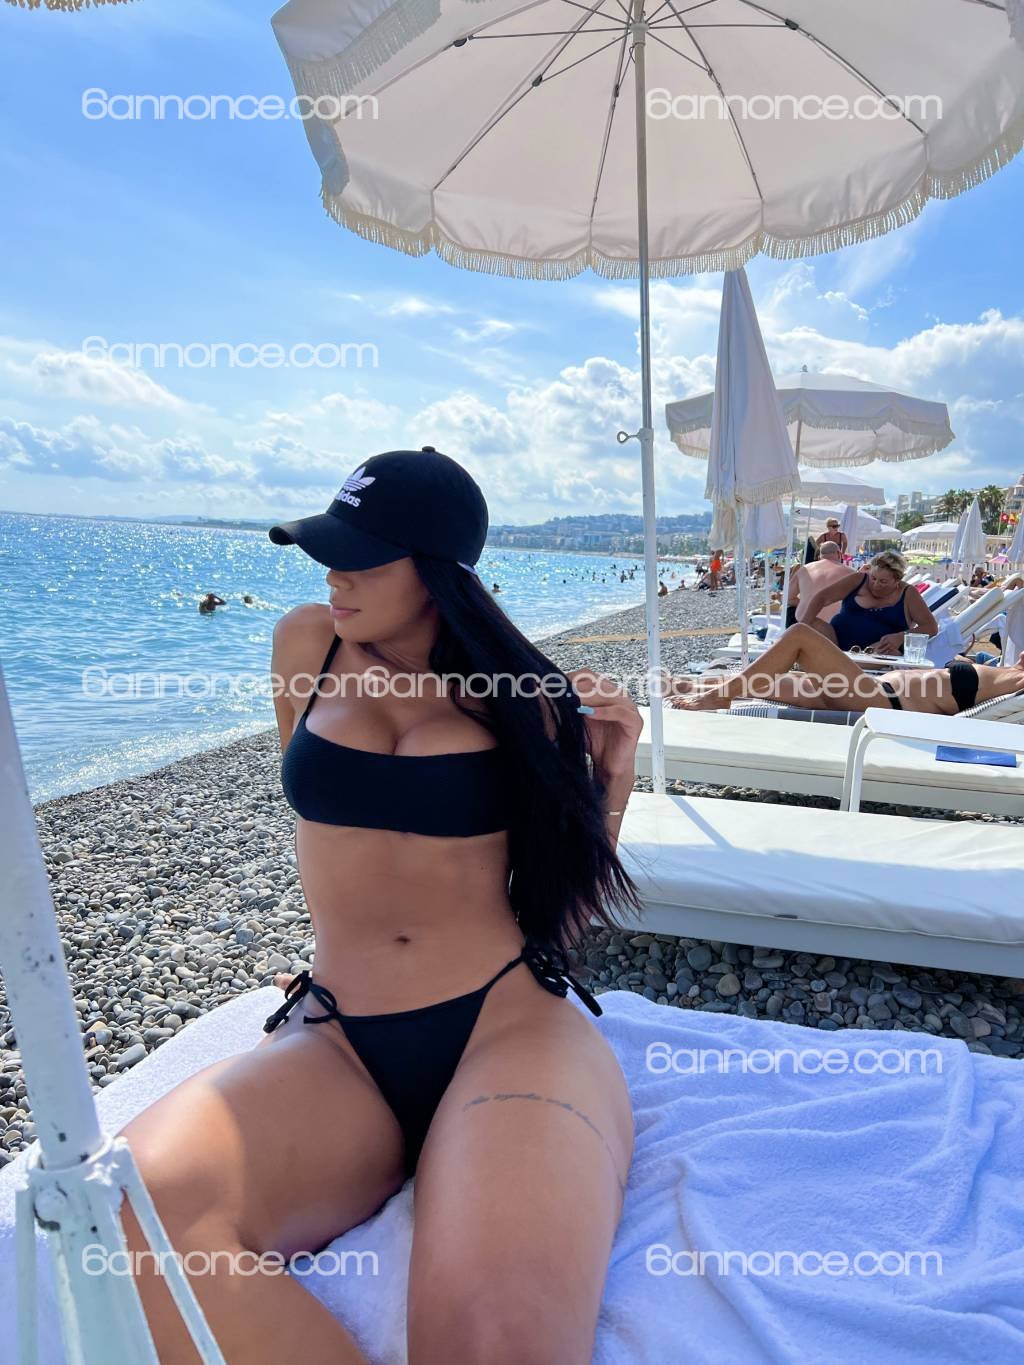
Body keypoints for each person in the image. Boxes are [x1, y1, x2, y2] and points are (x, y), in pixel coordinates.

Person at [116, 447, 643, 1362]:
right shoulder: (306, 645)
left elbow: (559, 900)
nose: (334, 577)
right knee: (125, 1217)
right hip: (340, 1039)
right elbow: (325, 819)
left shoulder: (528, 700)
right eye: (327, 553)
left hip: (502, 1028)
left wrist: (613, 780)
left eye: (360, 559)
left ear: (437, 573)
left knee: (493, 1344)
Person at [672, 622, 1024, 715]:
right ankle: (687, 686)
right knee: (771, 681)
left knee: (800, 636)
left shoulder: (1017, 680)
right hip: (872, 689)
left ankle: (717, 697)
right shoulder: (1007, 669)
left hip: (880, 702)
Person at [800, 550, 938, 655]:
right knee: (810, 622)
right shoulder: (858, 580)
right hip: (835, 644)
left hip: (875, 652)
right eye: (873, 578)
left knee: (885, 650)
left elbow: (931, 627)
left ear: (897, 580)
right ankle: (838, 661)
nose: (876, 585)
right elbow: (821, 597)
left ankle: (841, 666)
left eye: (883, 581)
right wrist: (801, 627)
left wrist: (901, 637)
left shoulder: (908, 594)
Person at [786, 541, 858, 629]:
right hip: (836, 627)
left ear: (820, 555)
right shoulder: (852, 573)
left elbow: (788, 597)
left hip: (806, 624)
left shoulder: (804, 569)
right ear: (839, 554)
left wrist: (808, 604)